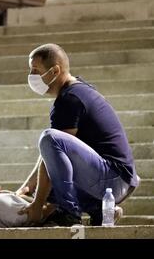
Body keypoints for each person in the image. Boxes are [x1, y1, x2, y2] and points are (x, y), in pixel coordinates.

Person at [17, 43, 139, 226]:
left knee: (49, 138)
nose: (31, 76)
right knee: (45, 185)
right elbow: (50, 158)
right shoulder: (78, 90)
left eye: (35, 70)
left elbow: (52, 146)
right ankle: (100, 210)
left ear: (55, 71)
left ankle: (69, 212)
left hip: (113, 178)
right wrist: (26, 188)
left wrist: (37, 202)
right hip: (112, 180)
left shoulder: (69, 99)